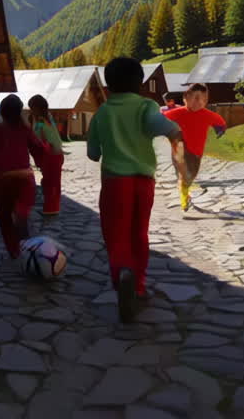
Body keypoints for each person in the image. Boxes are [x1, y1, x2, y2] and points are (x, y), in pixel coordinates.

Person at [88, 57, 188, 323]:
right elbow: (168, 128)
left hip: (114, 183)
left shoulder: (102, 113)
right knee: (139, 232)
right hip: (144, 182)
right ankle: (139, 284)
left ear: (108, 86)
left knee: (115, 233)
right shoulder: (146, 106)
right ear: (140, 84)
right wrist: (177, 148)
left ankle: (121, 274)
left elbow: (92, 153)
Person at [0, 95, 49, 259]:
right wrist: (44, 156)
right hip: (24, 177)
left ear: (3, 112)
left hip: (3, 178)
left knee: (4, 216)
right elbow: (38, 148)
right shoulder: (25, 129)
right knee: (23, 208)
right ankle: (22, 215)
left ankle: (14, 250)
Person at [163, 83, 227, 212]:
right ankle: (184, 197)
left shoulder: (207, 114)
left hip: (197, 152)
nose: (199, 101)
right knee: (183, 173)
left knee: (191, 175)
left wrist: (219, 129)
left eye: (203, 98)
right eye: (195, 98)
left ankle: (185, 191)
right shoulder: (178, 112)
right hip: (180, 147)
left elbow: (220, 122)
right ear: (185, 98)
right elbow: (161, 119)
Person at [28, 94, 65, 216]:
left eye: (31, 108)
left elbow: (37, 136)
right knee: (54, 182)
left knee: (49, 183)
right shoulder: (49, 117)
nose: (30, 110)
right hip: (58, 154)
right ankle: (55, 206)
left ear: (36, 108)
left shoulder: (40, 121)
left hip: (50, 155)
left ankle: (50, 208)